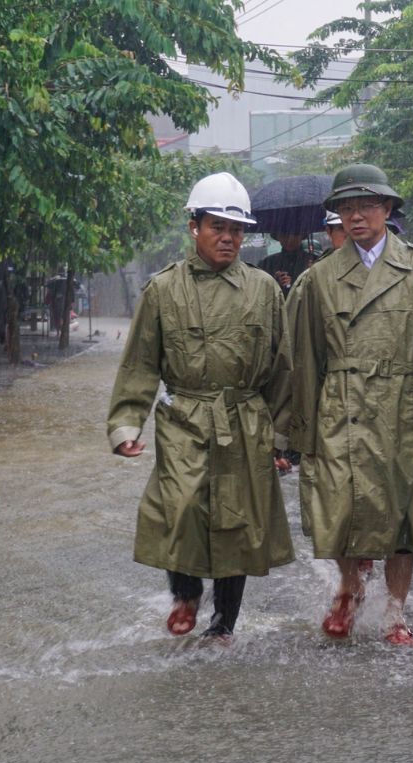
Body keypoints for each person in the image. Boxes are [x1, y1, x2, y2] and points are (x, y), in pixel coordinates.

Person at [286, 163, 413, 646]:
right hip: (341, 405)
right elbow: (303, 358)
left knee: (404, 511)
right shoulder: (319, 280)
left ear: (388, 209)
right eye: (346, 208)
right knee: (340, 505)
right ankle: (349, 589)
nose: (356, 217)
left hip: (402, 406)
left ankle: (395, 608)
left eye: (366, 206)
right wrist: (296, 430)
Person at [106, 171, 294, 640]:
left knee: (238, 521)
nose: (228, 239)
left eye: (236, 231)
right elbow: (140, 364)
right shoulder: (163, 290)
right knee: (182, 506)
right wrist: (126, 424)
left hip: (245, 420)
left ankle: (223, 623)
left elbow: (282, 368)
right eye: (218, 228)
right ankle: (186, 592)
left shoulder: (264, 290)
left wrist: (283, 436)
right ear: (194, 226)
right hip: (185, 418)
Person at [257, 232, 318, 298]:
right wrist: (274, 283)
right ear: (278, 237)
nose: (290, 239)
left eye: (295, 234)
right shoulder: (266, 263)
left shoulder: (315, 261)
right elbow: (260, 292)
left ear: (301, 236)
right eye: (284, 235)